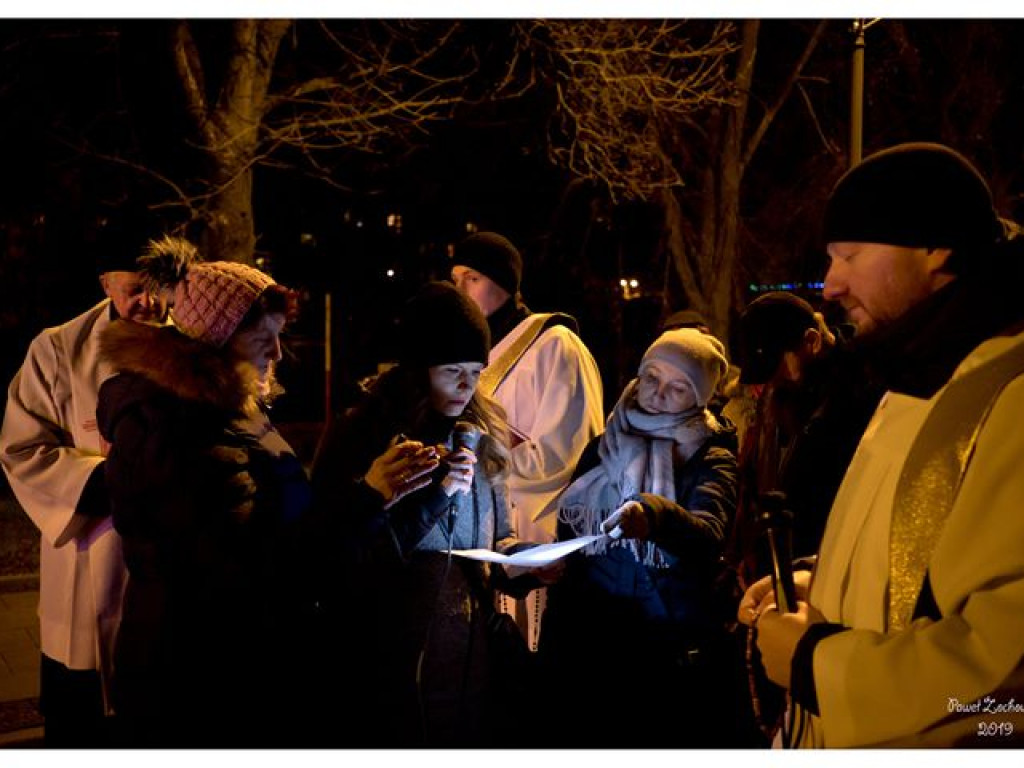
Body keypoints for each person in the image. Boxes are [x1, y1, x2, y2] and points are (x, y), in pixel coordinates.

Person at [739, 142, 1024, 747]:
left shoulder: (1010, 392)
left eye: (851, 254)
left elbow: (1006, 676)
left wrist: (818, 667)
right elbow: (922, 571)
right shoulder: (920, 373)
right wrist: (828, 582)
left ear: (935, 248)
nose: (831, 284)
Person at [310, 281, 550, 747]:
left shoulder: (480, 435)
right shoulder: (363, 434)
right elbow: (348, 551)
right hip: (393, 660)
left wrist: (527, 566)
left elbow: (495, 542)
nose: (467, 385)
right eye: (452, 370)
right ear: (419, 369)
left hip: (470, 660)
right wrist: (438, 493)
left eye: (476, 372)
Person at [95, 236, 312, 747]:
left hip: (213, 659)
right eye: (264, 341)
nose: (277, 354)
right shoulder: (181, 427)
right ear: (218, 342)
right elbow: (248, 558)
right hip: (196, 676)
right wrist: (365, 500)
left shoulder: (231, 408)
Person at [0, 216, 170, 747]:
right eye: (134, 289)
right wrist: (110, 479)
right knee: (83, 726)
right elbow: (21, 447)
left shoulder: (190, 345)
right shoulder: (58, 349)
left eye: (158, 288)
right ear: (106, 285)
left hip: (168, 567)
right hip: (93, 551)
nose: (148, 303)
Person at [539, 327, 740, 748]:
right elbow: (572, 530)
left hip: (663, 643)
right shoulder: (603, 444)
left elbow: (708, 539)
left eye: (678, 387)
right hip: (594, 642)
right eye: (652, 377)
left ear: (700, 398)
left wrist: (654, 515)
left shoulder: (710, 455)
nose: (658, 393)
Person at [451, 231, 604, 652]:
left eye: (472, 277)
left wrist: (482, 460)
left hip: (540, 527)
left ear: (504, 282)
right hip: (490, 527)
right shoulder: (478, 353)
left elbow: (568, 453)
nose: (460, 288)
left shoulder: (555, 345)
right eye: (456, 277)